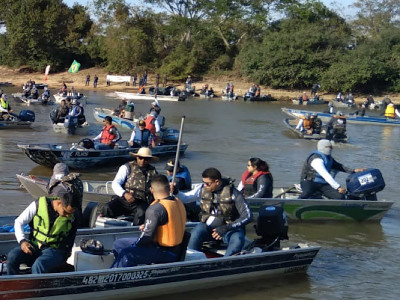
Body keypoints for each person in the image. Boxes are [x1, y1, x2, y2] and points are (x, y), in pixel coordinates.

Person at [112, 174, 186, 268]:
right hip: (175, 249)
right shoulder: (177, 201)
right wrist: (149, 226)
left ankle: (117, 276)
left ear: (151, 189)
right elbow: (168, 224)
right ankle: (130, 269)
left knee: (127, 253)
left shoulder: (155, 208)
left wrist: (134, 246)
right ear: (168, 187)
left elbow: (145, 239)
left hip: (165, 252)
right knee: (119, 244)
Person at [177, 168, 253, 256]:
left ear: (217, 182)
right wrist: (176, 192)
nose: (204, 185)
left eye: (207, 183)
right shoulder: (202, 189)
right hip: (209, 229)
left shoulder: (234, 193)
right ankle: (192, 259)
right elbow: (186, 198)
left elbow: (248, 216)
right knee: (195, 233)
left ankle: (227, 262)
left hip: (230, 230)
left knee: (238, 239)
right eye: (203, 182)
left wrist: (226, 227)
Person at [6, 185, 80, 275]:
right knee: (12, 256)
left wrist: (65, 256)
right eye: (65, 212)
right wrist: (22, 241)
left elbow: (71, 237)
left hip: (54, 250)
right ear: (59, 203)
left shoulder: (73, 216)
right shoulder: (38, 205)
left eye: (70, 213)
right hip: (34, 246)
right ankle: (14, 283)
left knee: (39, 265)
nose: (68, 216)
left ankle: (37, 288)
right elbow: (19, 222)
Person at [101, 147, 158, 225]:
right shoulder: (127, 167)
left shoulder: (153, 172)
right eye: (141, 158)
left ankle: (135, 231)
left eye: (146, 159)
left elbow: (159, 185)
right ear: (137, 157)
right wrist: (124, 194)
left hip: (141, 201)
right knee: (107, 207)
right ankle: (106, 228)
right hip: (124, 199)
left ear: (150, 160)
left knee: (142, 212)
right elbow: (115, 183)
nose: (143, 161)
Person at [299, 139, 365, 199]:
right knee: (306, 195)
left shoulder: (329, 158)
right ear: (322, 147)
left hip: (323, 184)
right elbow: (325, 175)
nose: (330, 149)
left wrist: (353, 171)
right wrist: (338, 187)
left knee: (340, 197)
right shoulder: (316, 159)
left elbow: (339, 166)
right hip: (309, 182)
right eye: (328, 147)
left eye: (331, 147)